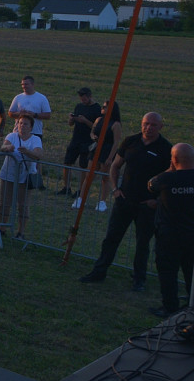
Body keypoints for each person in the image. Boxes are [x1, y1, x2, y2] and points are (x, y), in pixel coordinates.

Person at [80, 112, 171, 291]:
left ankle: (139, 279)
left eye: (153, 125)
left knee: (143, 243)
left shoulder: (166, 148)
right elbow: (115, 166)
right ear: (141, 123)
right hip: (124, 200)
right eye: (146, 124)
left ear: (160, 126)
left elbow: (170, 178)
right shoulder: (131, 141)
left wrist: (158, 200)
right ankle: (99, 272)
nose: (148, 128)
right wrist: (115, 189)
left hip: (147, 205)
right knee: (111, 238)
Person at [147, 143, 194, 318]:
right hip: (192, 234)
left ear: (174, 159)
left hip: (169, 234)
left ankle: (170, 307)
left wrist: (169, 169)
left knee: (167, 272)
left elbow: (151, 185)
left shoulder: (167, 179)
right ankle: (191, 305)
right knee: (191, 272)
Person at [0, 116, 43, 239]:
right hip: (8, 174)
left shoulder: (35, 139)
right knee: (4, 202)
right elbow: (3, 147)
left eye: (25, 124)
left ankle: (20, 232)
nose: (22, 126)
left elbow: (38, 154)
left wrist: (27, 151)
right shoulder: (12, 136)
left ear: (31, 127)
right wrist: (9, 148)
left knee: (23, 204)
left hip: (25, 176)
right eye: (20, 123)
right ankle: (2, 228)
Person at [61, 87, 101, 195]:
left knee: (83, 166)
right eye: (81, 99)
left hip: (87, 141)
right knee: (67, 162)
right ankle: (66, 188)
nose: (82, 101)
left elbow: (97, 127)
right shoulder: (79, 106)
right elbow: (70, 124)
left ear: (90, 96)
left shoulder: (97, 109)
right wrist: (71, 119)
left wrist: (85, 121)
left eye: (84, 99)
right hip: (75, 139)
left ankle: (80, 190)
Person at [84, 101, 123, 212]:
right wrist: (94, 136)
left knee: (105, 177)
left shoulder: (116, 124)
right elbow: (92, 132)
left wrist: (110, 158)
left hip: (107, 151)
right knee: (89, 175)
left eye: (105, 107)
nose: (102, 108)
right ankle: (82, 198)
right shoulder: (99, 120)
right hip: (96, 149)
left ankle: (102, 202)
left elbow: (116, 142)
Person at [8, 75, 52, 140]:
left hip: (35, 132)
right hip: (19, 132)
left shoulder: (42, 98)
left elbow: (48, 115)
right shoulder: (18, 98)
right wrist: (20, 114)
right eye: (22, 84)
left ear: (32, 84)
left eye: (26, 84)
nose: (24, 86)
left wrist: (34, 115)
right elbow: (10, 113)